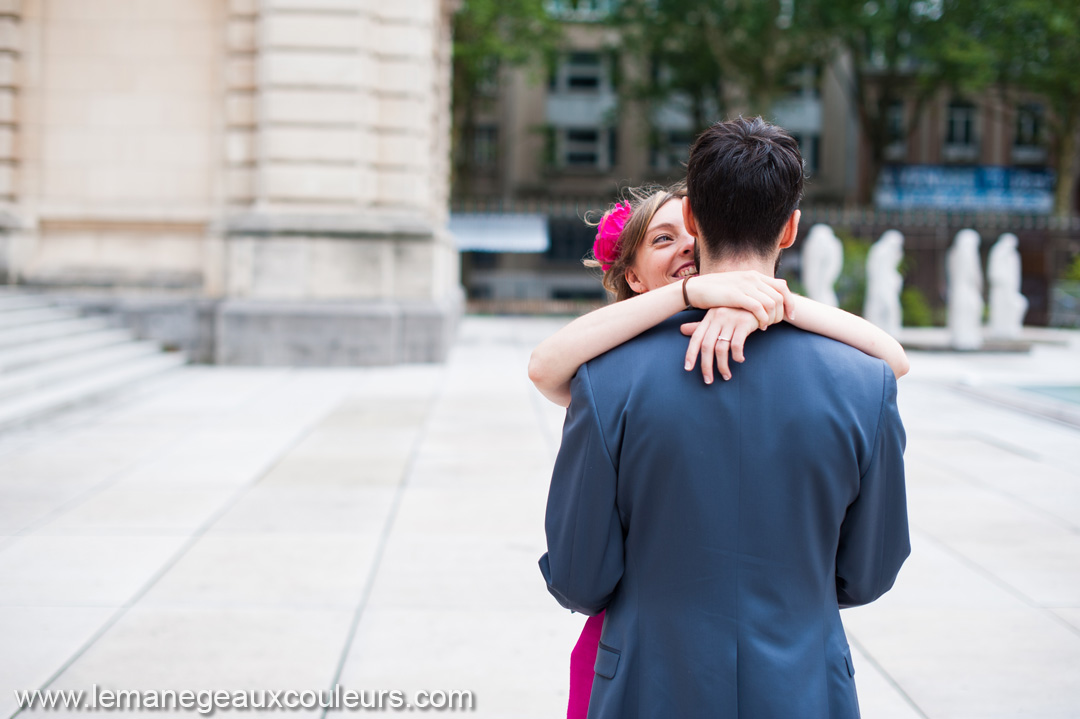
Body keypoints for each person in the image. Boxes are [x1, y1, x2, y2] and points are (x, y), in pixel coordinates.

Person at [538, 117, 909, 718]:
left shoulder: (605, 382)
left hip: (648, 686)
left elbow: (580, 577)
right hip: (805, 687)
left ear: (692, 221)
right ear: (791, 228)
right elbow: (869, 572)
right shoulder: (867, 382)